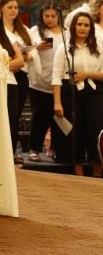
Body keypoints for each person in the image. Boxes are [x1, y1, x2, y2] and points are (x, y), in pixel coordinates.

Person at [51, 12, 103, 177]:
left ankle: (97, 169)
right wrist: (57, 102)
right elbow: (56, 76)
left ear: (91, 28)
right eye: (79, 24)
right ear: (73, 26)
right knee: (75, 131)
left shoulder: (99, 47)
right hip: (70, 92)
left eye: (86, 25)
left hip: (94, 91)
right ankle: (78, 171)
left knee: (95, 129)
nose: (82, 28)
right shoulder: (64, 48)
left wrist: (86, 74)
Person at [0, 0, 36, 165]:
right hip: (7, 72)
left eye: (16, 7)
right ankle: (5, 153)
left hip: (22, 73)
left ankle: (13, 151)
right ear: (2, 9)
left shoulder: (23, 29)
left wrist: (26, 56)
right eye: (10, 7)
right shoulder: (0, 30)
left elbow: (32, 53)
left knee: (16, 115)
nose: (14, 10)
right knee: (6, 115)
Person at [26, 2, 63, 162]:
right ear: (41, 16)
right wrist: (37, 47)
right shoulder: (35, 31)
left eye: (53, 16)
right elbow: (26, 51)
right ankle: (34, 148)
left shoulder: (66, 33)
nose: (50, 19)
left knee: (57, 118)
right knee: (40, 117)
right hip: (39, 82)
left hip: (59, 82)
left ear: (59, 16)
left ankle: (54, 148)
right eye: (46, 16)